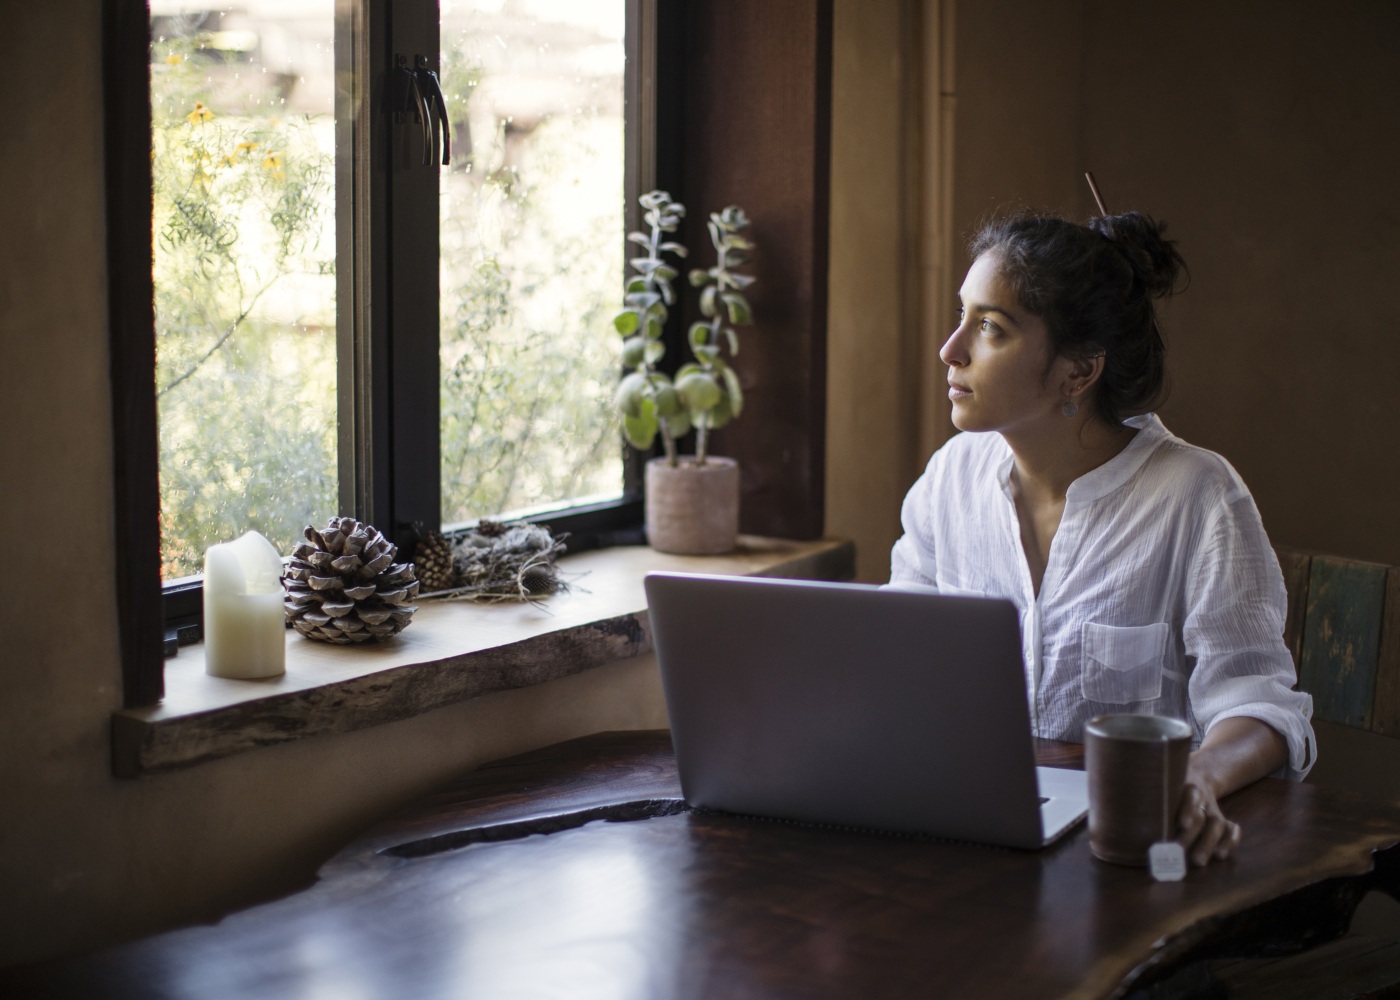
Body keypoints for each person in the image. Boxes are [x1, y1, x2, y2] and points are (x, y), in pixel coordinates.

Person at [889, 210, 1314, 868]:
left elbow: (1258, 707)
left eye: (990, 328)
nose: (951, 349)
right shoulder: (951, 478)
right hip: (969, 836)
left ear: (1078, 373)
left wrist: (1196, 777)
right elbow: (898, 650)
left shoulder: (1196, 496)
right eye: (961, 315)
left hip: (1129, 855)